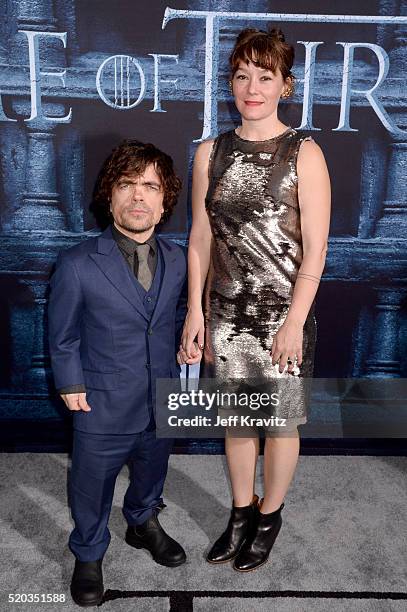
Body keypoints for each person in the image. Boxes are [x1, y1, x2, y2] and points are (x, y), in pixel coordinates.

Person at [179, 27, 331, 572]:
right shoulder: (209, 152)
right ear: (231, 83)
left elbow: (316, 249)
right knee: (238, 423)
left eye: (264, 77)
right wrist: (195, 312)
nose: (252, 87)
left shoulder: (304, 153)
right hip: (225, 310)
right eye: (242, 75)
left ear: (285, 85)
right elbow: (200, 238)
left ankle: (269, 516)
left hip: (284, 314)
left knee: (281, 423)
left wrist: (295, 322)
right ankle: (240, 514)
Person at [48, 140, 200, 607]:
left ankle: (142, 521)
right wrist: (71, 384)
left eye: (150, 187)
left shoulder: (178, 260)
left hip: (162, 397)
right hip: (102, 400)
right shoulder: (78, 264)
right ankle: (89, 552)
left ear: (164, 200)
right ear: (109, 197)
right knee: (91, 484)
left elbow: (175, 318)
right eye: (127, 185)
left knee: (153, 471)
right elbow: (63, 335)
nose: (139, 196)